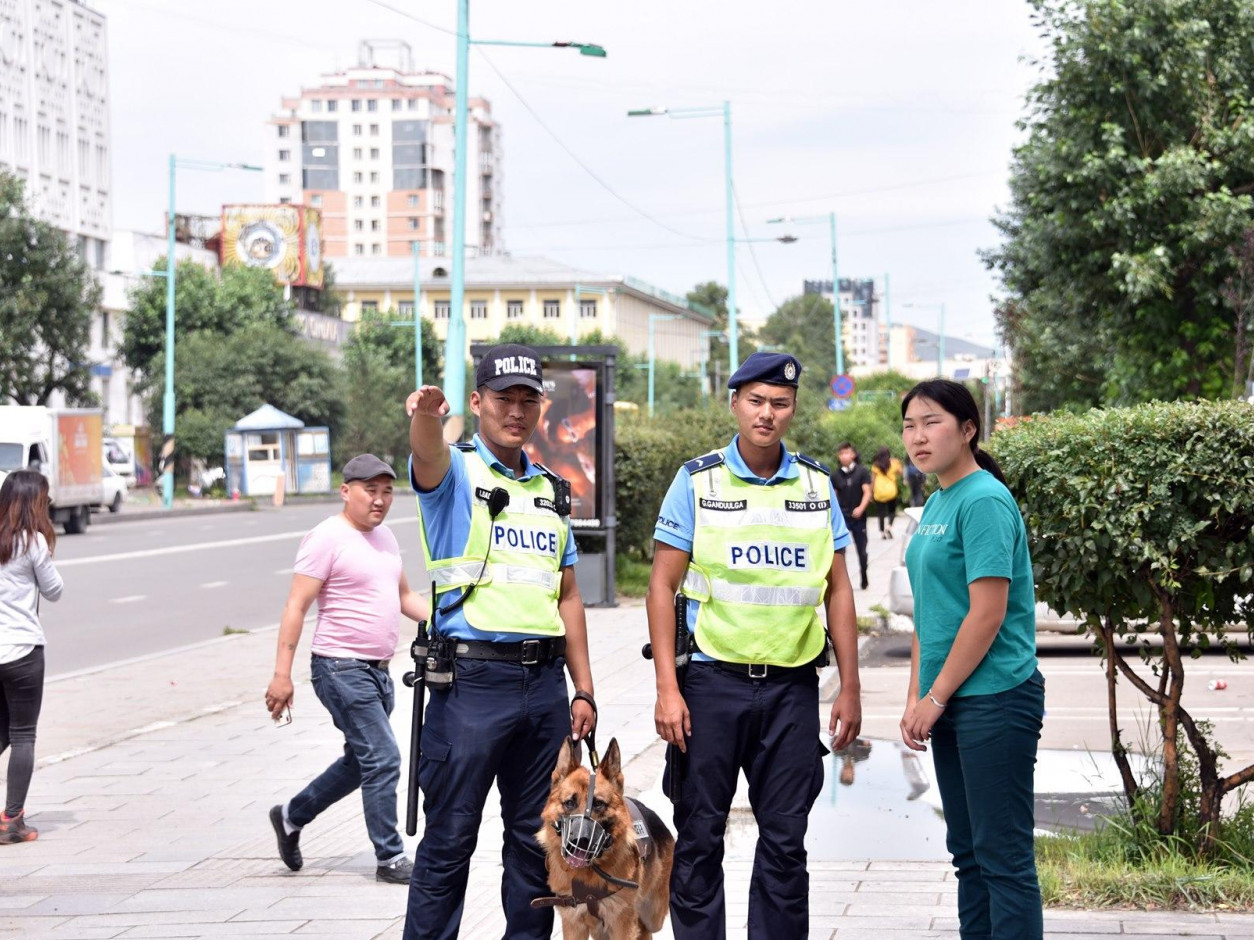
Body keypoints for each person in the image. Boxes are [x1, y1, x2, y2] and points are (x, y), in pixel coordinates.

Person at [648, 351, 862, 940]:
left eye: (781, 404)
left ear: (793, 410)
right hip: (711, 686)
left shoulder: (818, 485)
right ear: (735, 402)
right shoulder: (697, 480)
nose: (767, 414)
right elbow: (662, 586)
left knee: (786, 845)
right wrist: (668, 688)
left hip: (792, 690)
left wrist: (850, 686)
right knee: (697, 840)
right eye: (757, 401)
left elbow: (838, 589)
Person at [403, 343, 597, 940]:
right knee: (450, 839)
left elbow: (567, 596)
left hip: (542, 688)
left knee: (537, 845)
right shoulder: (455, 472)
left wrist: (582, 689)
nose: (516, 411)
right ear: (478, 401)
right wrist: (425, 418)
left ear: (540, 406)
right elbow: (426, 454)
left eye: (527, 400)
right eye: (503, 399)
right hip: (471, 687)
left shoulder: (550, 490)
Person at [898, 379, 1044, 940]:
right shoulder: (939, 500)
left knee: (1002, 859)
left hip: (995, 699)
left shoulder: (983, 499)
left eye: (931, 422)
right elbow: (930, 614)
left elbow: (986, 613)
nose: (918, 436)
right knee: (969, 855)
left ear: (967, 429)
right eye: (909, 425)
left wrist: (934, 698)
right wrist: (918, 696)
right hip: (951, 701)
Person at [264, 454, 429, 883]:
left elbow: (406, 596)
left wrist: (453, 620)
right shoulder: (326, 537)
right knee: (384, 758)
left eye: (387, 491)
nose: (379, 500)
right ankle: (390, 857)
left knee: (362, 762)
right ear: (346, 491)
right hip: (339, 668)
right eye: (369, 491)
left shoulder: (387, 538)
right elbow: (296, 606)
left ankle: (290, 816)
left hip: (378, 673)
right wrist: (282, 675)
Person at [0, 470, 63, 845]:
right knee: (22, 735)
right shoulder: (32, 542)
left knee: (2, 730)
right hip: (22, 651)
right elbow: (54, 591)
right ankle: (12, 820)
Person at [832, 442, 872, 590]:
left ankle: (864, 577)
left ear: (853, 454)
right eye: (841, 453)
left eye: (847, 453)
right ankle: (843, 582)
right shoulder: (836, 475)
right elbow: (833, 496)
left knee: (862, 550)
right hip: (843, 518)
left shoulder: (862, 472)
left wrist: (861, 508)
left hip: (859, 518)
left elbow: (867, 492)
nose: (844, 456)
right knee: (840, 551)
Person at [870, 445, 903, 538]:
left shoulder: (875, 465)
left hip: (879, 492)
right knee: (892, 511)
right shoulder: (894, 463)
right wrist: (898, 463)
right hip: (891, 492)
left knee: (881, 512)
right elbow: (901, 472)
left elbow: (872, 480)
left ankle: (882, 532)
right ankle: (888, 527)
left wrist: (870, 493)